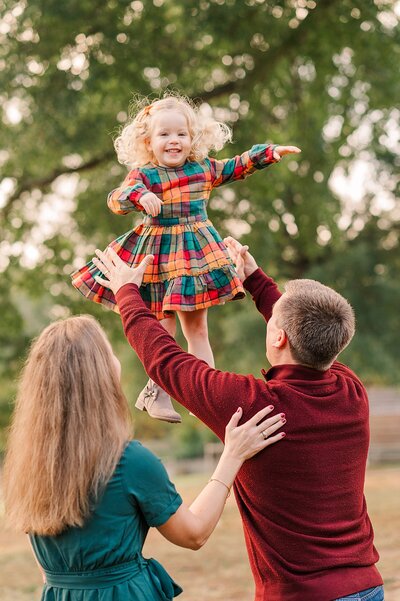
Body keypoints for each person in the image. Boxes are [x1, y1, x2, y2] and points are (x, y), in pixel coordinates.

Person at [91, 243, 384, 601]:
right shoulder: (352, 392)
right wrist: (255, 279)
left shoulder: (255, 407)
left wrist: (127, 293)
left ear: (278, 336)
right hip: (368, 587)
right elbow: (308, 337)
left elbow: (167, 362)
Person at [2, 313, 285, 601]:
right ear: (100, 373)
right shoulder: (127, 462)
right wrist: (232, 455)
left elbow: (44, 567)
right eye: (109, 352)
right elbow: (193, 533)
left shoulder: (26, 466)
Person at [71, 93, 300, 423]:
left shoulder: (202, 169)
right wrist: (141, 195)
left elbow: (235, 166)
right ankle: (156, 394)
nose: (173, 141)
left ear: (193, 138)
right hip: (159, 258)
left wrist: (268, 154)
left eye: (181, 134)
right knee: (163, 333)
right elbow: (117, 199)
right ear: (149, 141)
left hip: (194, 257)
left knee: (198, 331)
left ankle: (205, 396)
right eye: (164, 134)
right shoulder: (145, 175)